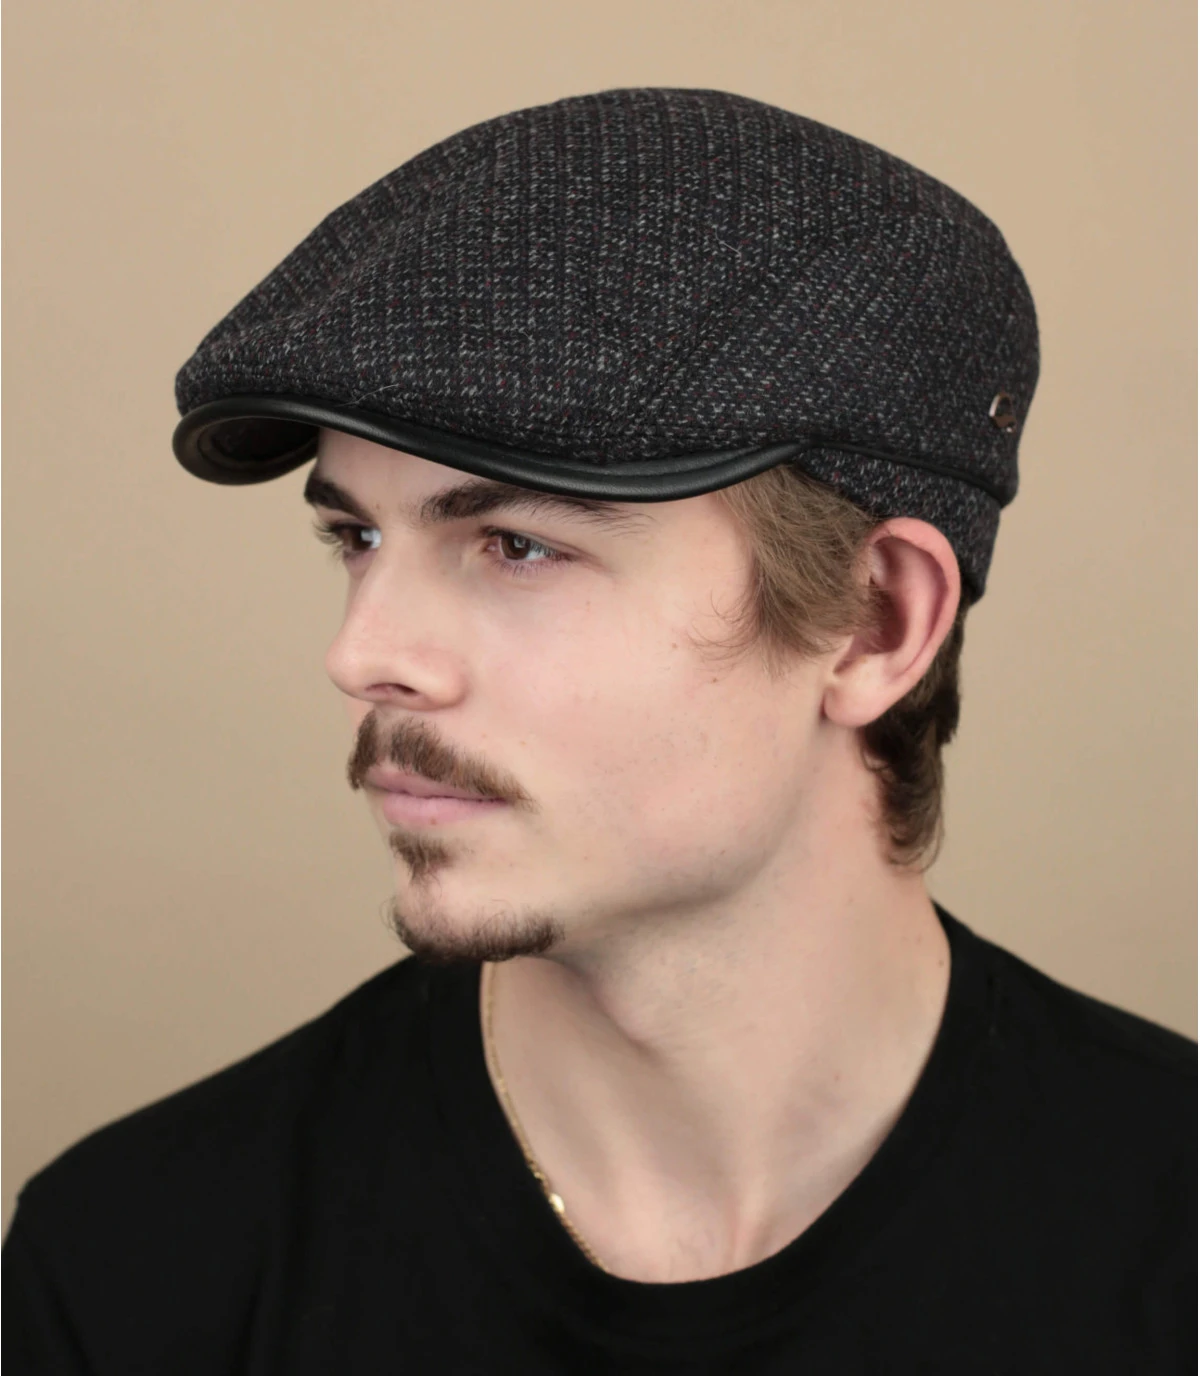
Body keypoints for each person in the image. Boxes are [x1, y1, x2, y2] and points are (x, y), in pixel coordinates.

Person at [4, 88, 1194, 1374]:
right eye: (356, 535)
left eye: (516, 544)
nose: (362, 654)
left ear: (874, 624)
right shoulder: (139, 1267)